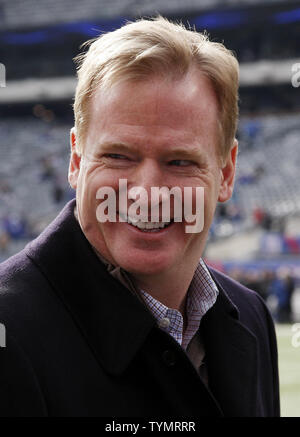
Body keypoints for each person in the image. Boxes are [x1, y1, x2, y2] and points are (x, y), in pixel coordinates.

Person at [0, 17, 280, 417]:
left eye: (179, 161)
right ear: (77, 160)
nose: (148, 193)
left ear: (227, 172)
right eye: (117, 156)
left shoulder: (250, 318)